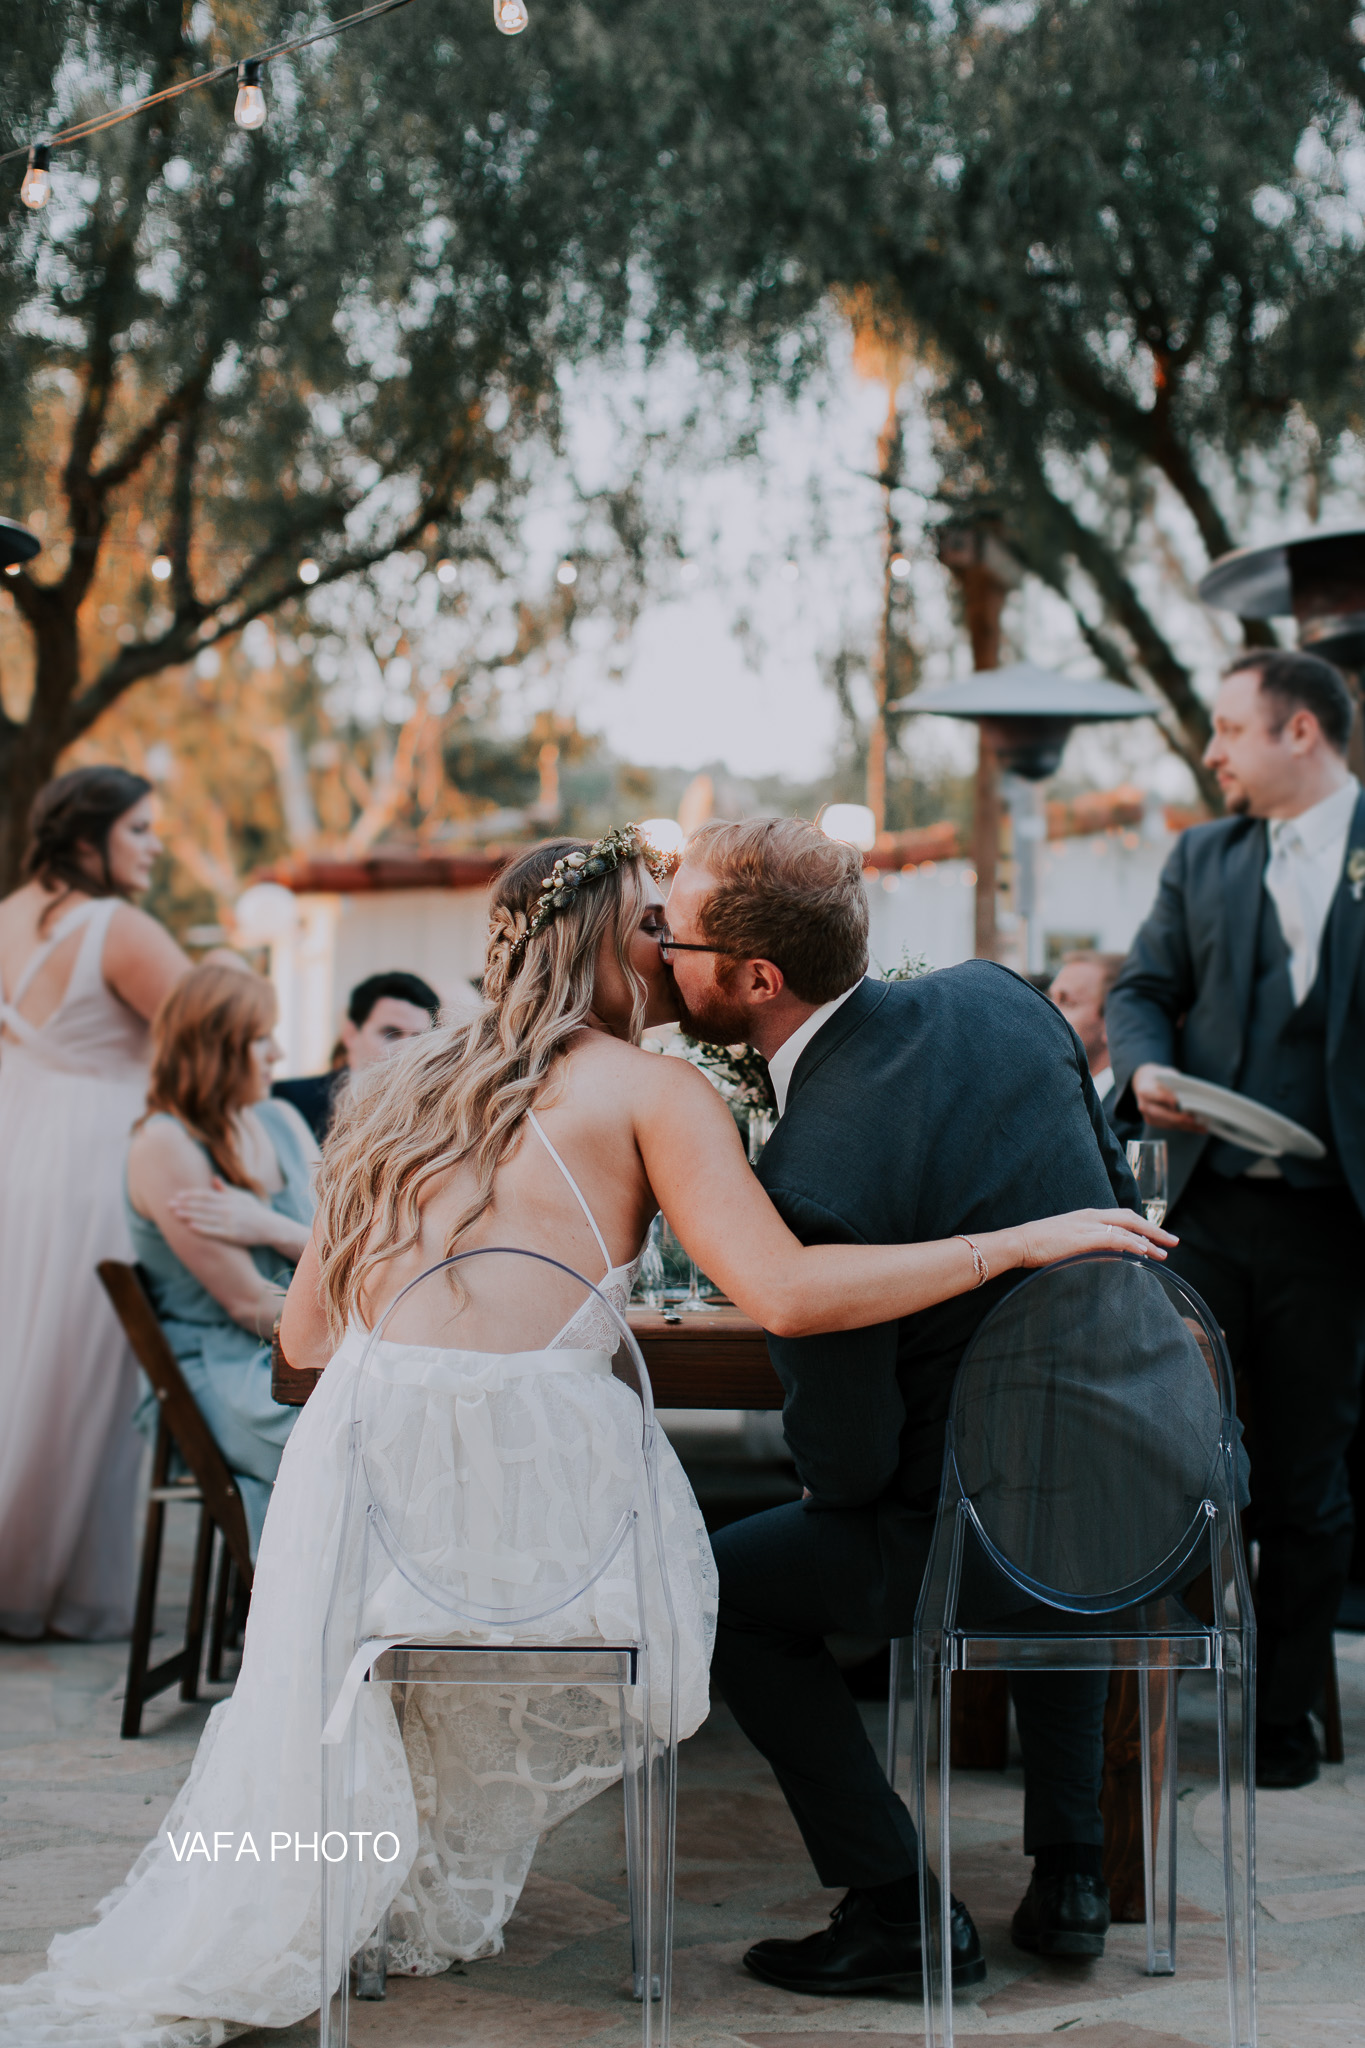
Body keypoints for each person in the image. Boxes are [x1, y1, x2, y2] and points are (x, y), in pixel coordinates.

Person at [0, 827, 1168, 2044]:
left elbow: (303, 1344)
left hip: (375, 1543)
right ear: (616, 954)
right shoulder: (656, 1091)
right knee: (727, 1581)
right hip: (555, 1559)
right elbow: (785, 1294)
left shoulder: (389, 1089)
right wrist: (1018, 1242)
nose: (666, 954)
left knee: (731, 1568)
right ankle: (919, 1875)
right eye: (652, 932)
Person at [661, 817, 1150, 1992]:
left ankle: (894, 1905)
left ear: (756, 980)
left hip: (975, 1529)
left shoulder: (812, 1172)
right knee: (1053, 1479)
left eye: (668, 937)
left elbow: (848, 1457)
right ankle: (1071, 1869)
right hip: (1143, 1478)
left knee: (725, 1589)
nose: (654, 952)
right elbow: (1113, 1194)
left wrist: (849, 1495)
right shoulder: (1002, 995)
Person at [1107, 648, 1365, 1790]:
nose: (1211, 751)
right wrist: (1149, 1065)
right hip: (1207, 1214)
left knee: (1309, 1479)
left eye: (1228, 728)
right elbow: (1140, 989)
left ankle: (1281, 1717)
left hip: (1334, 1224)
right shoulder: (1202, 856)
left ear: (1299, 731)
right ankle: (1147, 1701)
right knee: (1166, 1451)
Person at [0, 766, 189, 1641]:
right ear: (89, 839)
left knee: (21, 1360)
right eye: (141, 830)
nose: (155, 845)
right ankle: (48, 1580)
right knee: (81, 1373)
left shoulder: (6, 917)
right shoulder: (119, 928)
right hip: (93, 1164)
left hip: (21, 1147)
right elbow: (213, 1035)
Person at [125, 963, 318, 1554]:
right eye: (262, 1039)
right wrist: (353, 1333)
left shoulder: (281, 1120)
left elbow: (338, 1247)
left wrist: (273, 1228)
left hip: (310, 1340)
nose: (278, 1053)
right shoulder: (166, 1145)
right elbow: (245, 1304)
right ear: (214, 1046)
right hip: (228, 1366)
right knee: (346, 1441)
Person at [272, 969, 441, 1142]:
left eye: (418, 1038)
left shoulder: (436, 1117)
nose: (405, 1049)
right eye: (391, 1034)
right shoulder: (289, 1100)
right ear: (351, 1034)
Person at [1049, 950, 1132, 1134]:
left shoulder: (1133, 1119)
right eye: (1049, 999)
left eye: (1067, 1002)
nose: (1047, 1013)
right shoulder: (1058, 1100)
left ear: (1113, 1022)